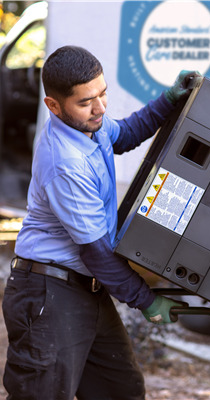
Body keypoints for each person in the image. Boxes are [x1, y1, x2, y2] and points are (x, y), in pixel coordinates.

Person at [2, 45, 197, 400]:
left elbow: (123, 134)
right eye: (86, 102)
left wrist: (169, 99)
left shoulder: (88, 125)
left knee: (119, 391)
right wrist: (147, 300)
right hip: (49, 293)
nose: (100, 108)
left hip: (85, 289)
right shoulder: (65, 163)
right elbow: (96, 253)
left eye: (102, 94)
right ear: (53, 106)